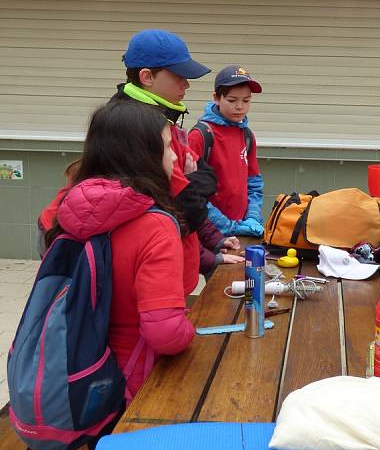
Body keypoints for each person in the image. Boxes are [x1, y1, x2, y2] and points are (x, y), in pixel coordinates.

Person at [47, 100, 196, 400]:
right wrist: (190, 330)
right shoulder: (155, 225)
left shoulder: (69, 211)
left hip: (74, 370)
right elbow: (164, 333)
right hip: (135, 381)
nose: (173, 158)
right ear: (145, 156)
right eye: (167, 147)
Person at [113, 29, 216, 295]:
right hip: (152, 285)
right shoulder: (136, 126)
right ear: (147, 77)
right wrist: (195, 182)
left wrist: (195, 182)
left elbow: (205, 177)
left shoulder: (160, 118)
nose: (187, 84)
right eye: (179, 76)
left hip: (170, 275)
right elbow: (188, 210)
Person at [188, 65, 264, 237]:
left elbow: (254, 182)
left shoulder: (247, 135)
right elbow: (192, 192)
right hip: (209, 234)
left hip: (243, 229)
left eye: (246, 100)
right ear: (216, 98)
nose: (239, 107)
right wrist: (227, 226)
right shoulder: (201, 135)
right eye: (232, 100)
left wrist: (252, 217)